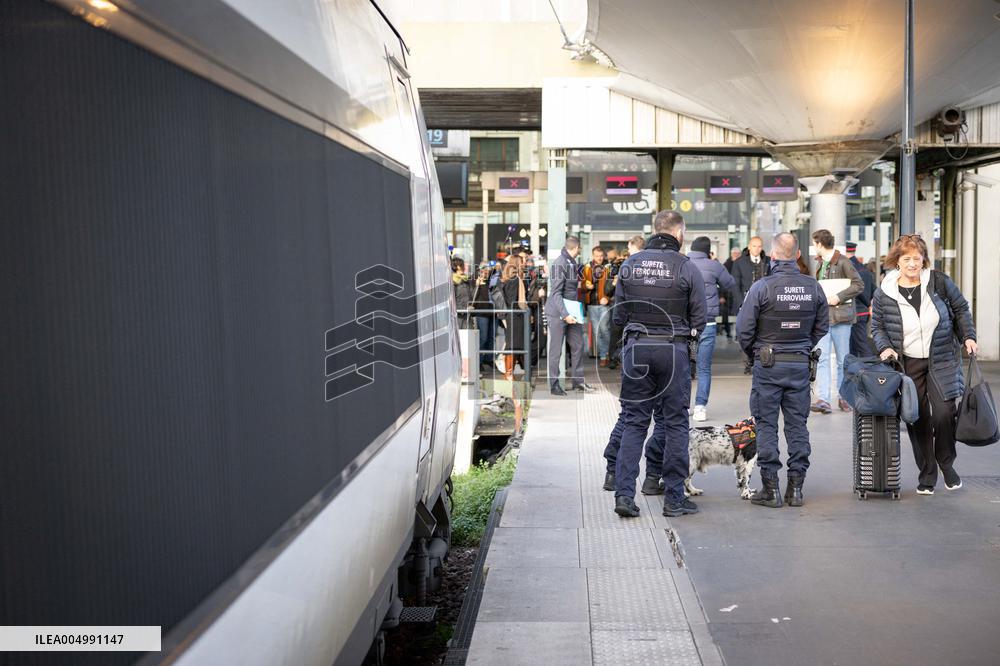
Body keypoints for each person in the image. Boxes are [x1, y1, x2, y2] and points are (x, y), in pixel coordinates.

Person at [612, 211, 706, 518]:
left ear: (655, 231)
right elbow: (699, 319)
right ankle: (674, 499)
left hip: (637, 348)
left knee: (634, 421)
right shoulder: (686, 267)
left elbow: (618, 316)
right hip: (673, 349)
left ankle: (625, 496)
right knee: (676, 422)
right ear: (679, 233)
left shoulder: (630, 264)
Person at [871, 234, 977, 495]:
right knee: (917, 416)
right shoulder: (885, 291)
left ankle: (946, 463)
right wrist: (884, 347)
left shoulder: (939, 282)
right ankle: (927, 472)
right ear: (897, 261)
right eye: (906, 259)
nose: (912, 264)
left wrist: (968, 336)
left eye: (916, 259)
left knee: (943, 413)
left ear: (923, 260)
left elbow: (961, 309)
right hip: (907, 362)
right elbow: (877, 327)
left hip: (941, 357)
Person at [736, 233, 829, 507]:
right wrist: (802, 346)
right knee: (797, 426)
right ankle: (796, 489)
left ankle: (771, 489)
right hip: (799, 364)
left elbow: (744, 330)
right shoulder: (813, 287)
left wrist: (755, 353)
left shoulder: (761, 287)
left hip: (768, 364)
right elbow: (822, 326)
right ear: (798, 255)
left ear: (772, 256)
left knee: (766, 425)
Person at [810, 229, 864, 414]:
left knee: (842, 361)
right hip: (825, 318)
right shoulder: (820, 263)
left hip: (841, 318)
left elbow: (859, 285)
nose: (813, 247)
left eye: (813, 244)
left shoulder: (843, 262)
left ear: (819, 244)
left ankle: (844, 398)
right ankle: (823, 399)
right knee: (823, 358)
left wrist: (838, 297)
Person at [688, 236, 736, 421]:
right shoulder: (714, 265)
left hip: (685, 323)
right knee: (704, 368)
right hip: (707, 322)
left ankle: (683, 406)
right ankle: (700, 407)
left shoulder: (682, 262)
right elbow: (730, 284)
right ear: (708, 250)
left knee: (684, 366)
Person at [545, 236, 593, 394]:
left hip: (572, 308)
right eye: (579, 248)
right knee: (556, 350)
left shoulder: (572, 262)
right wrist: (565, 314)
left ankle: (578, 381)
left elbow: (571, 289)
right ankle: (554, 384)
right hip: (558, 311)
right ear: (576, 247)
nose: (580, 251)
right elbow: (556, 293)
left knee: (578, 345)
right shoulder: (560, 263)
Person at [605, 236, 644, 370]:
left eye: (628, 248)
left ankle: (620, 358)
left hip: (623, 304)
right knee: (624, 333)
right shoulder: (644, 263)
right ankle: (620, 358)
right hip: (635, 305)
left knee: (620, 332)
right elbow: (608, 289)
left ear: (633, 246)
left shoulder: (629, 265)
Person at [581, 246, 612, 366]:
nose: (599, 258)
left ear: (603, 256)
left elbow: (613, 285)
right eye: (596, 256)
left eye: (600, 256)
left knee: (605, 329)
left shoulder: (608, 267)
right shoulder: (587, 267)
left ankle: (609, 353)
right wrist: (586, 287)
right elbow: (582, 286)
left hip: (604, 303)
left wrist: (607, 297)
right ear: (593, 256)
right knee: (596, 331)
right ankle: (603, 356)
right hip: (592, 304)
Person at [499, 255, 528, 377]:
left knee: (512, 343)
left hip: (507, 315)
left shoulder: (504, 279)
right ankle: (508, 373)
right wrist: (527, 310)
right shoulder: (516, 280)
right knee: (513, 344)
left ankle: (509, 372)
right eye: (522, 261)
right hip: (516, 315)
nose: (524, 263)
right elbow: (520, 301)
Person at [845, 241, 876, 357]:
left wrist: (866, 303)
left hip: (854, 312)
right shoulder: (864, 269)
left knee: (861, 346)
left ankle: (872, 370)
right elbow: (874, 289)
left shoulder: (848, 268)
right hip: (863, 312)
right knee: (854, 346)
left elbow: (856, 290)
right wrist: (869, 305)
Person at [731, 237, 770, 312]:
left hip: (765, 303)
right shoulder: (739, 262)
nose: (756, 249)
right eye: (754, 246)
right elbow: (735, 285)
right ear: (749, 247)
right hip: (746, 302)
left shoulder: (768, 261)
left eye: (759, 246)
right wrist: (741, 304)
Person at [471, 262, 497, 371]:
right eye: (483, 270)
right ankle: (479, 360)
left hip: (493, 312)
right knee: (483, 337)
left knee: (492, 337)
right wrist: (476, 284)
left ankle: (489, 359)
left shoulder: (492, 281)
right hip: (482, 312)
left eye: (487, 270)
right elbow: (472, 296)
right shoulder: (474, 281)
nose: (485, 272)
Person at [720, 247, 742, 339]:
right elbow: (721, 281)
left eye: (738, 253)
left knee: (740, 314)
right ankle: (728, 332)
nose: (736, 255)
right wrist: (721, 295)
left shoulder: (742, 264)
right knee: (726, 314)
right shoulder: (726, 265)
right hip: (728, 293)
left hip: (739, 293)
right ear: (731, 254)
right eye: (734, 253)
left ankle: (738, 334)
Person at [451, 257, 475, 328]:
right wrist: (464, 309)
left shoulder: (466, 280)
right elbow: (452, 302)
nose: (464, 267)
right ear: (458, 267)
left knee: (469, 337)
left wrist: (476, 286)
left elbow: (472, 296)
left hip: (467, 316)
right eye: (463, 265)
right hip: (457, 317)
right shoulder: (452, 282)